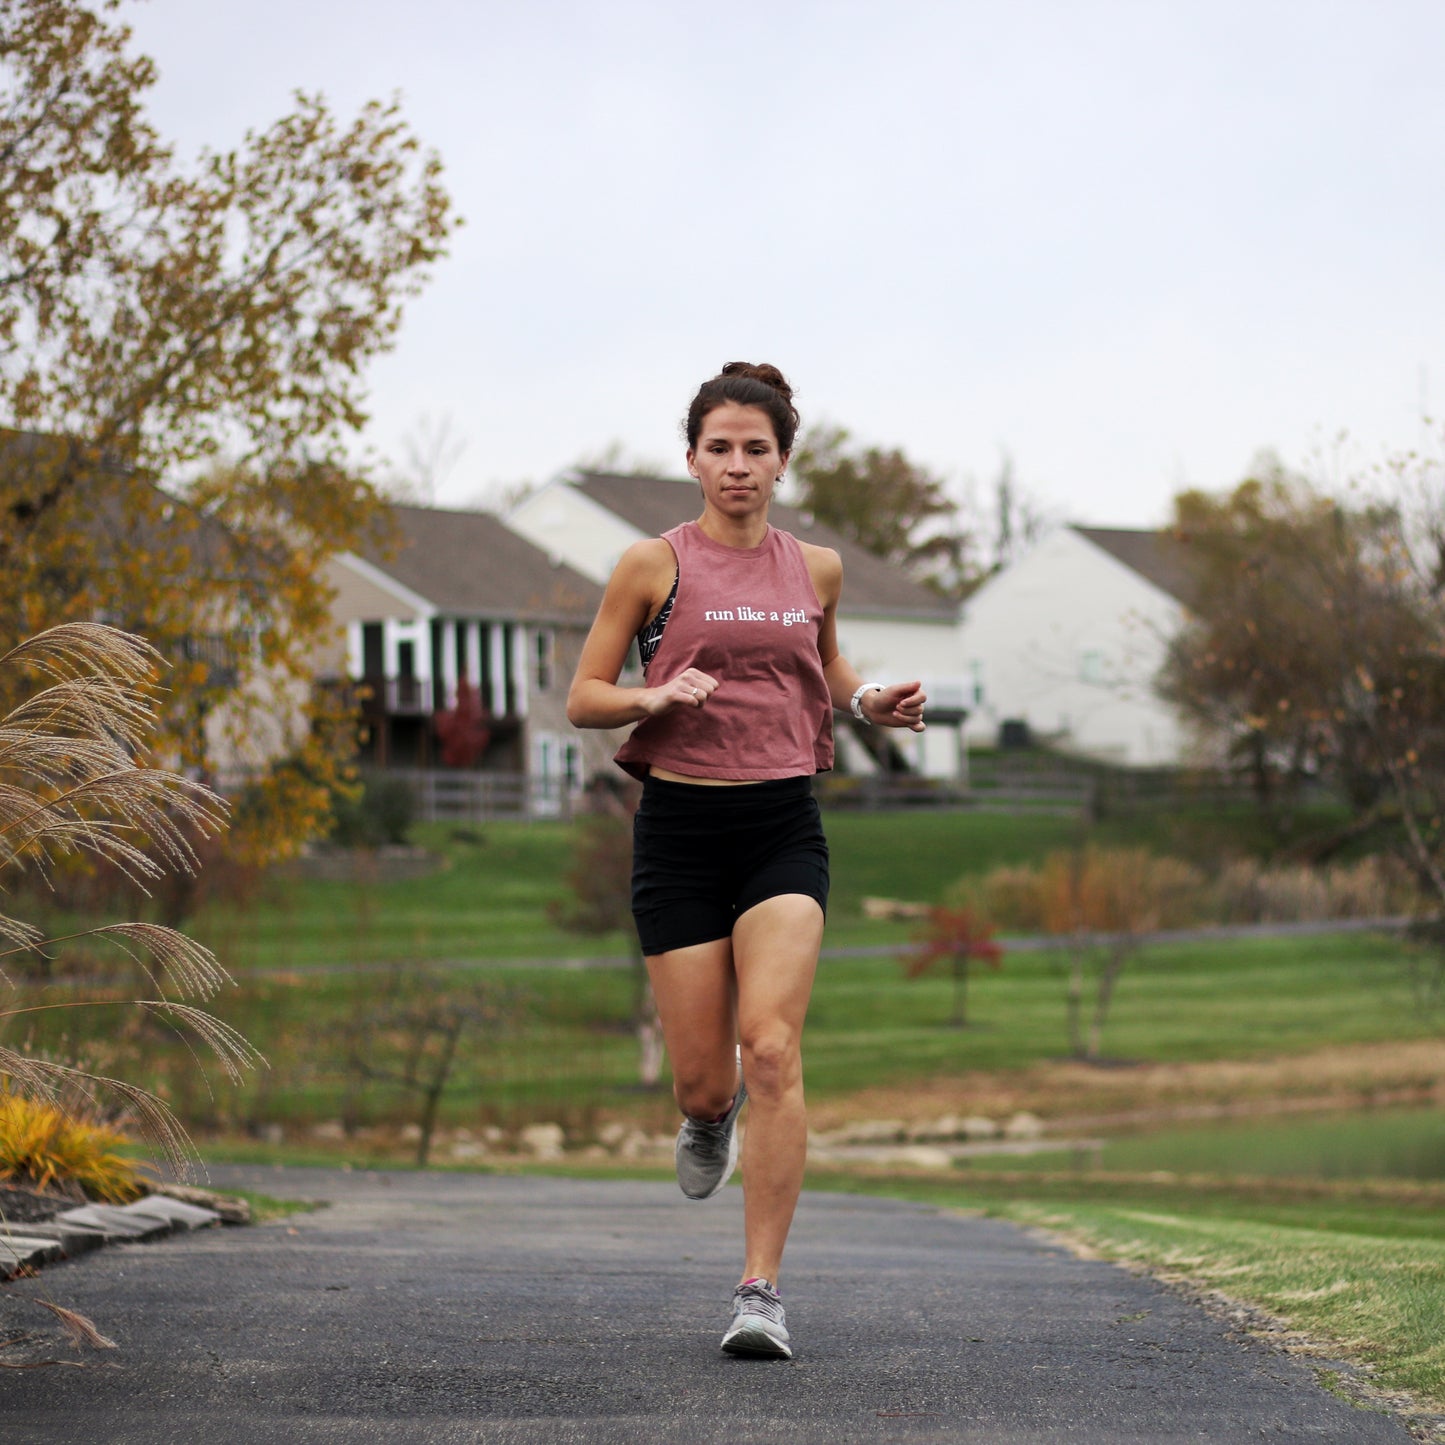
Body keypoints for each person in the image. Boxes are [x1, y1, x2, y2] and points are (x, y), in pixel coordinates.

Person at [566, 361, 926, 1360]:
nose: (735, 464)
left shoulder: (813, 568)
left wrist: (864, 702)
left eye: (754, 448)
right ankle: (705, 1115)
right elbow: (582, 694)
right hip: (677, 833)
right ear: (691, 459)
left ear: (780, 462)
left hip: (780, 825)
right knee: (704, 1083)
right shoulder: (652, 565)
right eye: (717, 447)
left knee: (770, 1045)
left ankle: (759, 1288)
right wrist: (650, 697)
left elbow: (828, 664)